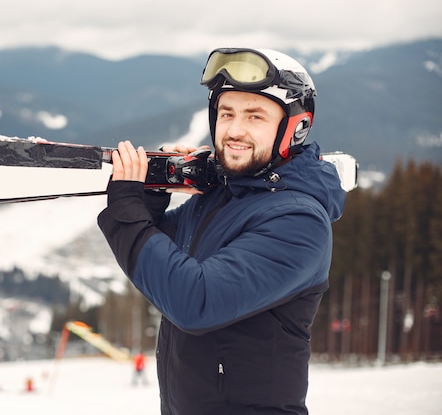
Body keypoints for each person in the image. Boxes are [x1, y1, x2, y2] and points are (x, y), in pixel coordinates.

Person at [97, 48, 346, 414]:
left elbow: (193, 300)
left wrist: (125, 207)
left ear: (296, 128)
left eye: (255, 116)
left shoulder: (298, 221)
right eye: (226, 113)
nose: (234, 130)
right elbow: (159, 263)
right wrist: (152, 193)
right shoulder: (222, 196)